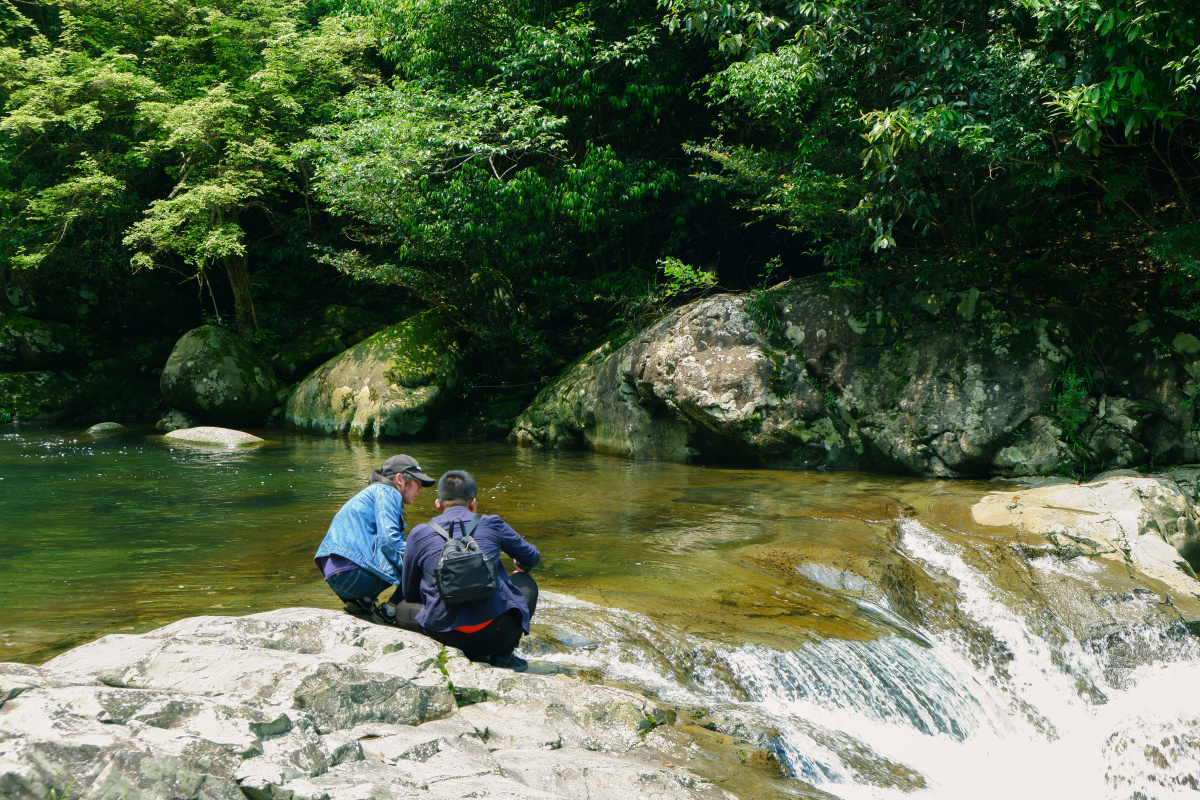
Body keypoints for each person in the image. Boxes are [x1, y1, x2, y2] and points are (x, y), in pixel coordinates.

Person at [397, 469, 540, 671]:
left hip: (444, 636)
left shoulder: (419, 533)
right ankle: (503, 656)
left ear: (438, 504)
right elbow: (532, 556)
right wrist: (520, 565)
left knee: (402, 607)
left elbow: (409, 592)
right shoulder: (492, 523)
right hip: (496, 633)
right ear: (473, 503)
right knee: (525, 582)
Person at [313, 454, 435, 619]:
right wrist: (413, 571)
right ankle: (389, 611)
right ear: (399, 479)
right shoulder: (388, 491)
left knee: (411, 545)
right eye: (417, 482)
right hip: (354, 575)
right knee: (424, 549)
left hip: (337, 577)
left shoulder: (371, 493)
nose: (420, 488)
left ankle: (364, 601)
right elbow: (389, 541)